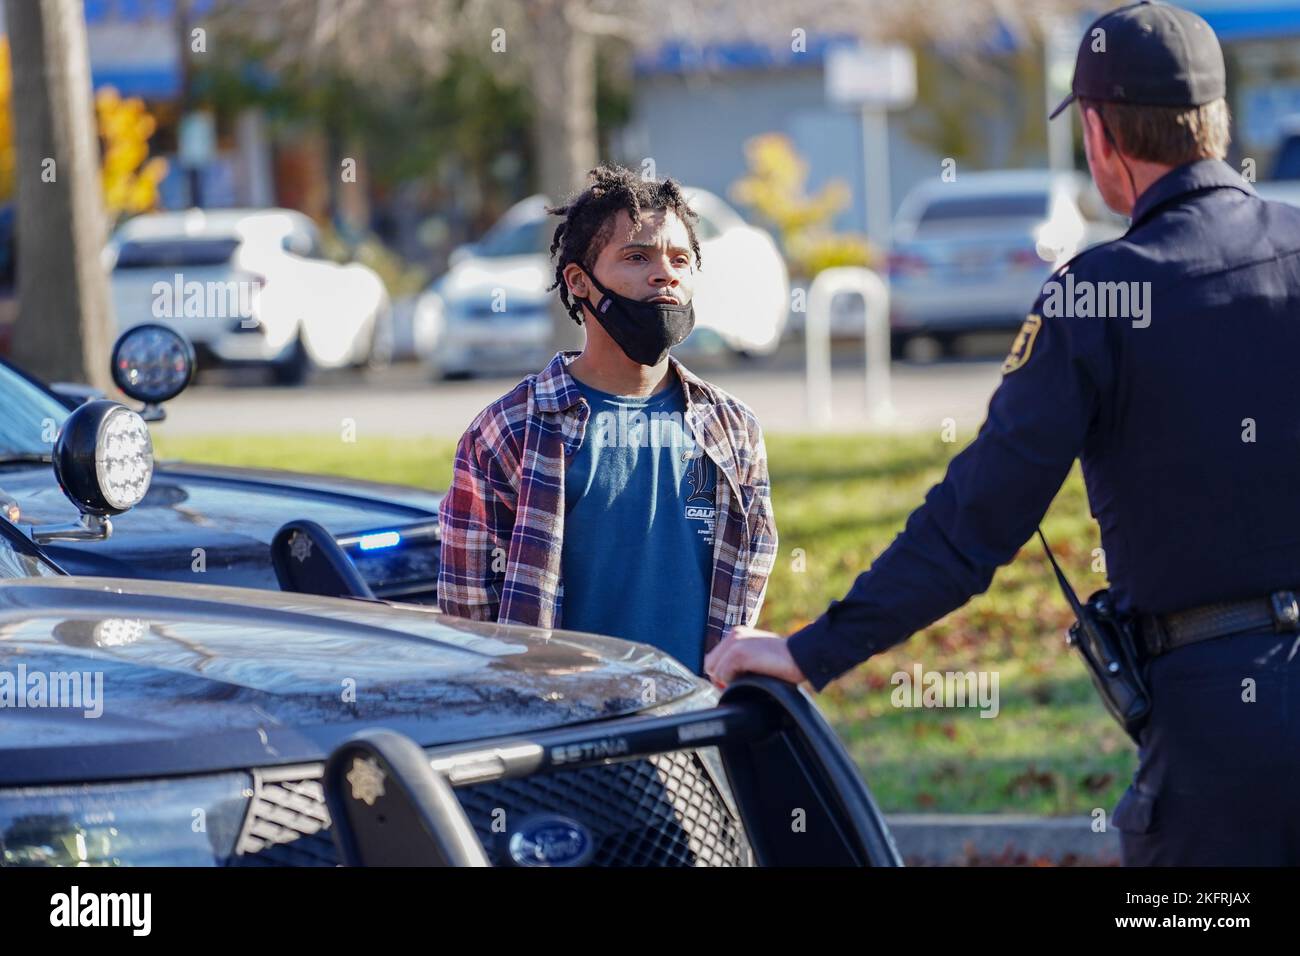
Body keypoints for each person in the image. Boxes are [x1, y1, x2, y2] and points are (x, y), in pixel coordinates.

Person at [705, 0, 1300, 865]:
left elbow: (972, 525)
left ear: (1099, 136)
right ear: (1217, 121)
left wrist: (810, 649)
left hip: (1216, 743)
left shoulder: (1097, 296)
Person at [438, 164, 777, 676]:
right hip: (564, 732)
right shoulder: (510, 430)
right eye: (637, 257)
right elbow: (468, 619)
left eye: (680, 259)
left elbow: (746, 592)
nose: (665, 273)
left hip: (696, 725)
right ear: (579, 281)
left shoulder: (734, 431)